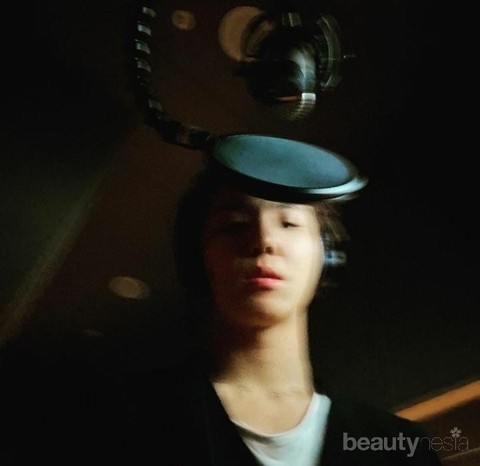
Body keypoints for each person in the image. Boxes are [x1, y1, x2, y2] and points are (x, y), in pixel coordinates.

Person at [97, 134, 442, 465]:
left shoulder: (399, 446)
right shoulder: (128, 421)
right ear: (200, 257)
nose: (263, 239)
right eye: (234, 224)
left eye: (289, 223)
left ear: (326, 256)